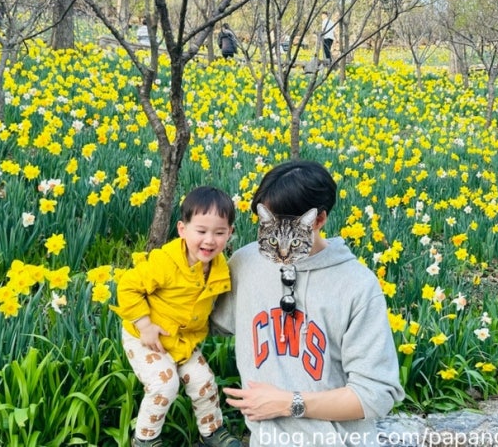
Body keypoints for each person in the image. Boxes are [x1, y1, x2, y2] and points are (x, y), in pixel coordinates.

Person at [212, 160, 404, 447]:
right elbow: (205, 323)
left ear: (318, 220)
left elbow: (376, 394)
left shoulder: (357, 285)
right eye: (267, 223)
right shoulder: (246, 263)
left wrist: (289, 403)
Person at [115, 186, 243, 447]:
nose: (209, 240)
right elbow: (127, 286)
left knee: (204, 381)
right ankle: (145, 440)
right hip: (146, 337)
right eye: (201, 231)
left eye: (219, 233)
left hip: (182, 340)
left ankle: (212, 433)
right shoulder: (166, 263)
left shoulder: (220, 269)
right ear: (182, 229)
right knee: (165, 384)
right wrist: (145, 325)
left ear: (230, 233)